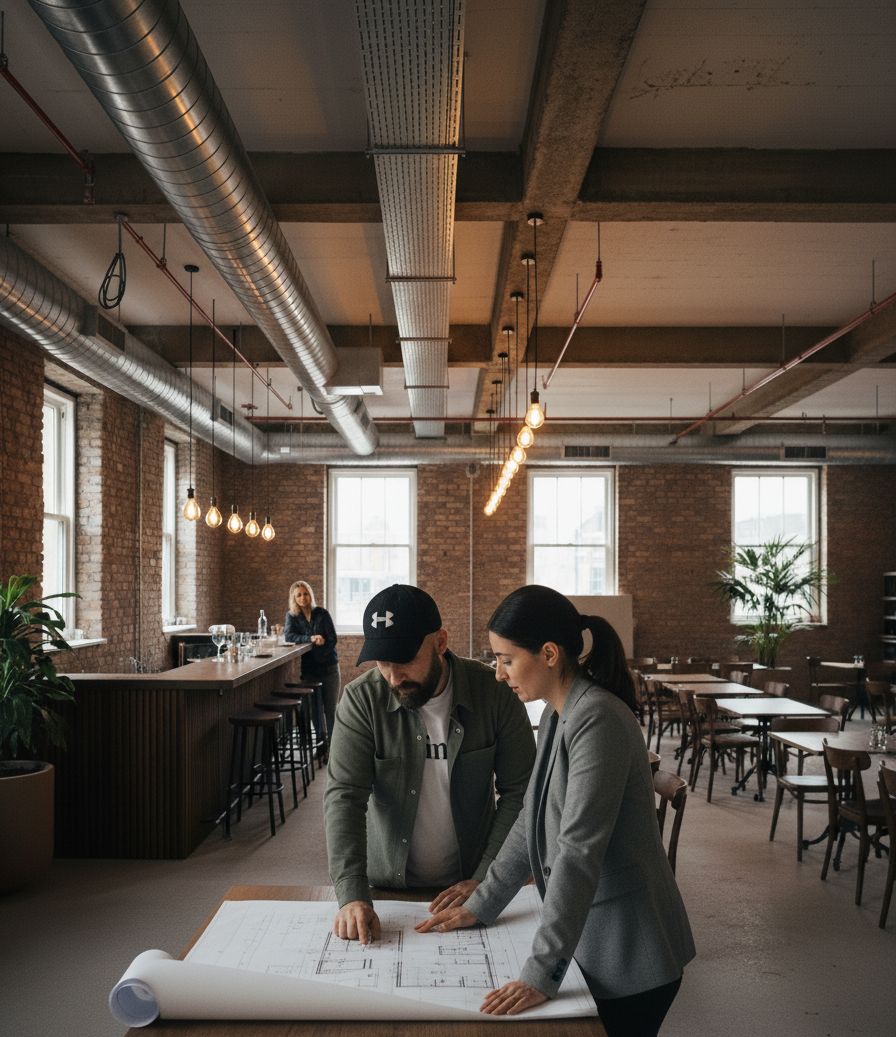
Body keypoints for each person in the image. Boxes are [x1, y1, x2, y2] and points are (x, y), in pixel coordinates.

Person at [415, 585, 695, 1037]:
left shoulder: (598, 718)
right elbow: (530, 816)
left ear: (549, 653)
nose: (498, 673)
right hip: (592, 936)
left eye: (507, 659)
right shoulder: (556, 714)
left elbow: (578, 852)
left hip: (630, 952)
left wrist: (540, 972)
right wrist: (483, 904)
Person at [324, 584, 536, 945]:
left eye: (404, 660)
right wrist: (353, 895)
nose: (392, 677)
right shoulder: (361, 700)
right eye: (382, 662)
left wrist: (487, 878)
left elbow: (522, 792)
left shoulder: (496, 693)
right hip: (387, 887)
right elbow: (344, 796)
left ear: (440, 642)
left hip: (473, 882)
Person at [284, 581, 339, 758]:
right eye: (299, 595)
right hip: (309, 671)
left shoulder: (322, 613)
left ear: (310, 595)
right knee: (316, 710)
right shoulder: (292, 616)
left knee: (330, 709)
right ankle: (322, 746)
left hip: (329, 667)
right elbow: (289, 636)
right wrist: (311, 638)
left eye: (305, 593)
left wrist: (321, 645)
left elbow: (333, 638)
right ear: (294, 598)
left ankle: (334, 748)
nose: (303, 598)